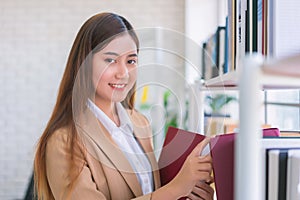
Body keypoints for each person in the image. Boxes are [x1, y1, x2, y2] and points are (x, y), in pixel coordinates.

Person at [34, 12, 214, 200]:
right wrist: (176, 188)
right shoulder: (64, 141)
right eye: (110, 60)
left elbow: (149, 194)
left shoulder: (139, 122)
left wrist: (186, 192)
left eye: (131, 61)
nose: (123, 73)